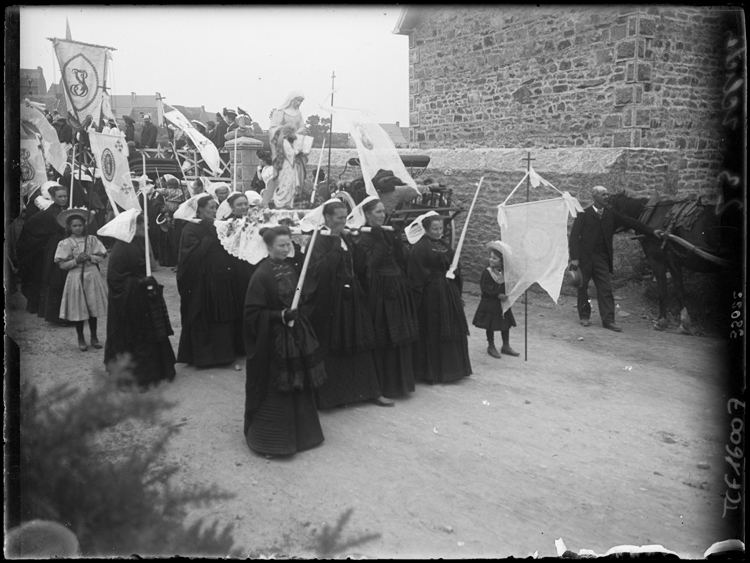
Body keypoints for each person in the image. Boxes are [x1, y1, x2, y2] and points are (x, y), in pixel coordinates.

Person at [243, 225, 327, 457]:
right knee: (278, 383)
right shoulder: (261, 275)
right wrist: (279, 316)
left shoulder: (289, 267)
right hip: (275, 342)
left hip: (296, 336)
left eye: (288, 244)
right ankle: (273, 441)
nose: (286, 248)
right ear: (269, 247)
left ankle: (305, 435)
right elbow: (252, 314)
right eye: (281, 245)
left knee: (298, 381)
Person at [302, 200, 392, 408]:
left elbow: (360, 267)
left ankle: (370, 391)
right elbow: (319, 272)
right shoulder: (318, 241)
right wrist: (334, 245)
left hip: (352, 299)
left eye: (345, 217)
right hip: (332, 301)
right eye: (339, 218)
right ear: (327, 218)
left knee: (360, 342)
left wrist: (357, 245)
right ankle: (334, 397)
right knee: (333, 345)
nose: (344, 221)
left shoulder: (345, 236)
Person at [569, 186, 665, 332]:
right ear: (595, 197)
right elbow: (574, 237)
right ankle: (584, 316)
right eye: (603, 195)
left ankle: (608, 321)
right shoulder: (584, 214)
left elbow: (631, 222)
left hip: (602, 258)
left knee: (606, 289)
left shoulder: (610, 214)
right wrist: (575, 258)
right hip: (585, 258)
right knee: (583, 287)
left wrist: (651, 232)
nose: (607, 197)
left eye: (607, 194)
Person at [350, 197, 419, 399]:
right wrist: (380, 240)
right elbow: (368, 268)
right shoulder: (362, 237)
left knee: (399, 336)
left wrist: (397, 241)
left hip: (396, 291)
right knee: (384, 336)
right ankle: (383, 385)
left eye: (383, 211)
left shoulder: (384, 233)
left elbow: (401, 261)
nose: (382, 215)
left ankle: (401, 383)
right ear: (367, 214)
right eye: (378, 212)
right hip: (378, 293)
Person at [100, 209, 177, 389]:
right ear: (135, 226)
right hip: (130, 302)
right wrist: (140, 282)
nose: (148, 226)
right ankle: (138, 377)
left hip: (141, 298)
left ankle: (156, 371)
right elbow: (115, 280)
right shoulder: (122, 248)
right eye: (145, 223)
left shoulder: (137, 242)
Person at [175, 194, 243, 367]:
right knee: (205, 316)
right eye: (211, 207)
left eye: (215, 207)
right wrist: (210, 235)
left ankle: (224, 355)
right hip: (202, 282)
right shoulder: (190, 229)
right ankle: (205, 357)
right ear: (200, 210)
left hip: (220, 278)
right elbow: (193, 256)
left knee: (222, 316)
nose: (214, 211)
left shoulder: (217, 225)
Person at [407, 212, 472, 384]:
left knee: (451, 326)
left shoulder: (445, 246)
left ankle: (454, 369)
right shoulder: (419, 248)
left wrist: (454, 271)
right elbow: (417, 273)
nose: (438, 232)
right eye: (434, 229)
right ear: (426, 229)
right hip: (431, 295)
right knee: (433, 328)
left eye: (440, 228)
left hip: (448, 292)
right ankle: (432, 372)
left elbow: (453, 264)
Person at [54, 209, 108, 351]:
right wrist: (76, 260)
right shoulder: (65, 243)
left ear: (85, 225)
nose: (78, 228)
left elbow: (102, 257)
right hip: (76, 277)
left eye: (80, 225)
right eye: (74, 226)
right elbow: (62, 265)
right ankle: (80, 337)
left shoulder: (92, 239)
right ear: (69, 227)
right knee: (79, 308)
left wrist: (90, 258)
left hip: (92, 275)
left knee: (92, 307)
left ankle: (94, 336)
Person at [16, 182, 70, 322]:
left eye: (65, 196)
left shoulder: (62, 211)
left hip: (59, 249)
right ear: (52, 197)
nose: (63, 199)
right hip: (49, 251)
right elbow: (31, 225)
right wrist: (48, 240)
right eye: (60, 196)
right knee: (50, 278)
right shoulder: (49, 213)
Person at [472, 241, 519, 358]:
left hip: (502, 304)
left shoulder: (505, 273)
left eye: (495, 258)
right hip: (490, 302)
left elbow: (509, 284)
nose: (491, 260)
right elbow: (485, 288)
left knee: (505, 323)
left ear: (502, 261)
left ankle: (506, 345)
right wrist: (497, 295)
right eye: (490, 257)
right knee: (490, 324)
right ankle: (491, 345)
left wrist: (509, 292)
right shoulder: (487, 273)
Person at [268, 91, 309, 209]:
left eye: (301, 101)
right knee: (286, 179)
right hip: (285, 154)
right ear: (291, 99)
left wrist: (300, 132)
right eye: (297, 100)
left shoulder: (299, 113)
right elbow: (273, 130)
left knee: (296, 177)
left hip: (296, 151)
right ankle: (284, 201)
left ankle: (293, 199)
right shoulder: (280, 112)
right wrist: (289, 133)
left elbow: (302, 127)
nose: (299, 103)